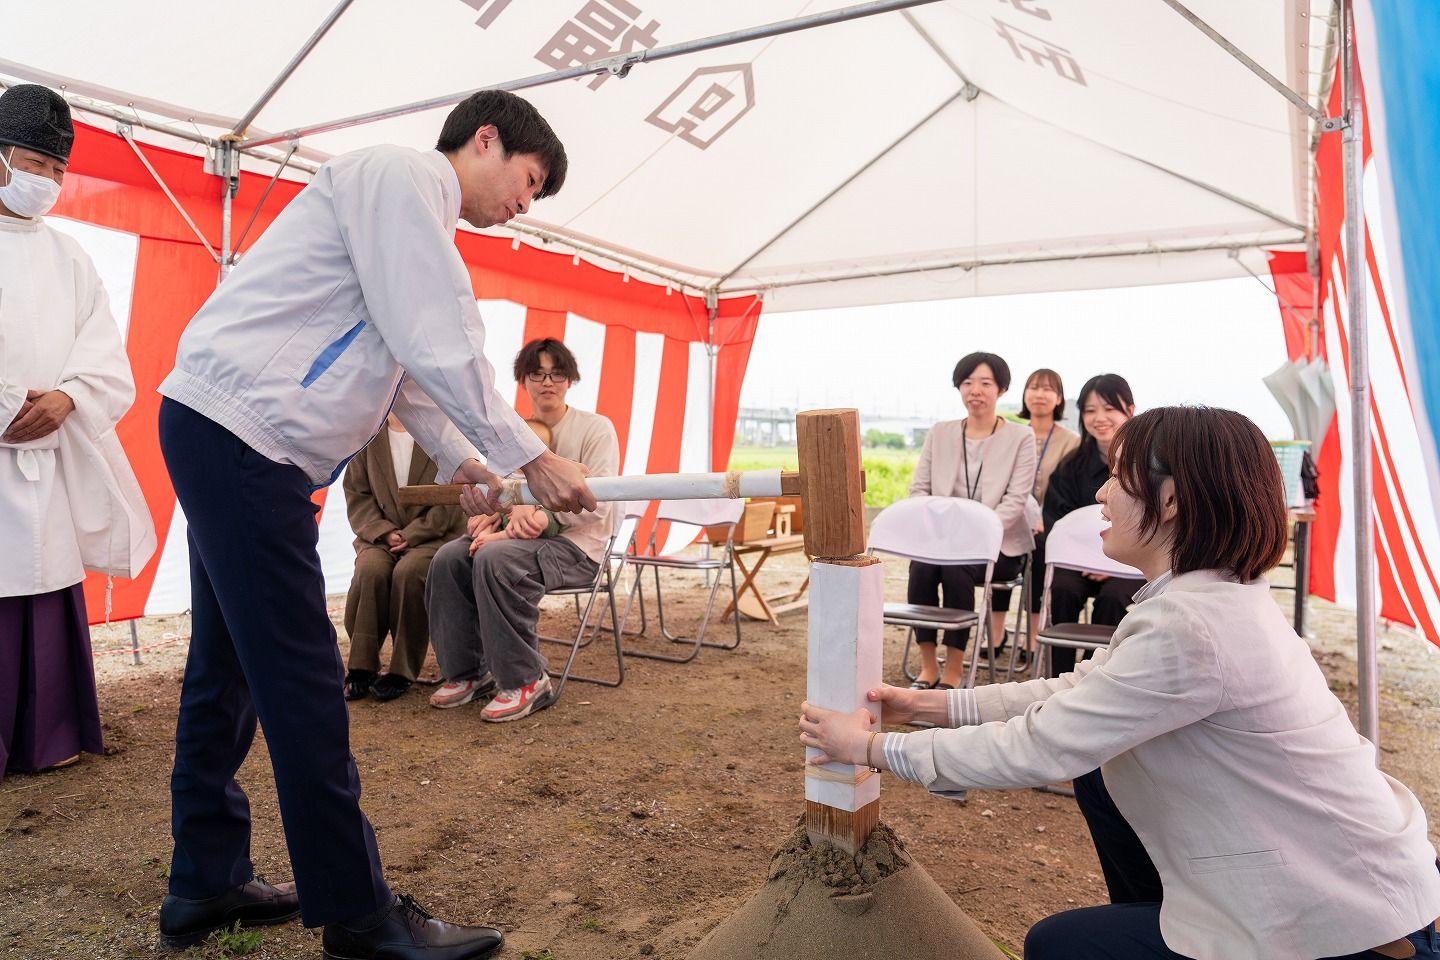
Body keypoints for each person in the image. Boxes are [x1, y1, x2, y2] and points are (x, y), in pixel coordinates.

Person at [154, 91, 595, 957]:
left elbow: (407, 373)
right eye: (531, 179)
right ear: (486, 138)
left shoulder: (410, 216)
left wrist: (468, 461)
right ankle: (358, 915)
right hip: (245, 437)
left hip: (230, 432)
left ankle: (205, 878)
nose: (526, 203)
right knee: (301, 677)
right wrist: (530, 457)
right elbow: (435, 340)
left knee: (226, 667)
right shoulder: (401, 179)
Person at [800, 406, 1440, 960]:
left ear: (1172, 501)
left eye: (1118, 478)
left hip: (1350, 920)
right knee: (1100, 774)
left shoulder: (1193, 626)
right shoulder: (1203, 598)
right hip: (1338, 879)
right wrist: (928, 705)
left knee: (1059, 947)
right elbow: (1076, 694)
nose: (1101, 495)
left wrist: (871, 749)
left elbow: (1041, 745)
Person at [0, 84, 155, 782]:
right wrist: (9, 403)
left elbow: (105, 356)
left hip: (52, 453)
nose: (48, 180)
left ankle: (48, 736)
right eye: (36, 164)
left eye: (58, 170)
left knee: (46, 579)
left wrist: (69, 397)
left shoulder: (71, 258)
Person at [426, 338, 619, 721]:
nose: (547, 382)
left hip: (578, 547)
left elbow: (603, 502)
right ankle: (469, 672)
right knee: (449, 558)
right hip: (514, 535)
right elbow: (505, 492)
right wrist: (490, 514)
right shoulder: (512, 433)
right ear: (523, 379)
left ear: (570, 380)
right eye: (537, 373)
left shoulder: (596, 429)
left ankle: (527, 680)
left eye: (557, 374)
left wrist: (545, 516)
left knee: (497, 559)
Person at [906, 352, 1035, 689]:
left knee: (955, 567)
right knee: (921, 567)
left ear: (1001, 389)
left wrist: (975, 533)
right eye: (967, 383)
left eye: (985, 383)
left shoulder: (1021, 437)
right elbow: (919, 489)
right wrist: (939, 529)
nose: (975, 390)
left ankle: (954, 668)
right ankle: (928, 666)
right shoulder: (940, 432)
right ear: (959, 388)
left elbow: (1015, 500)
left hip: (998, 545)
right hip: (941, 539)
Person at [341, 415, 466, 703]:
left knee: (409, 572)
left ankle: (402, 670)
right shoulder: (366, 434)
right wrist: (384, 532)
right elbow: (357, 493)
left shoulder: (444, 433)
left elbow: (453, 495)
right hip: (381, 535)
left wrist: (413, 533)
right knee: (370, 570)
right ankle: (361, 667)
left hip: (435, 535)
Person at [1040, 374, 1146, 677]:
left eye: (1109, 408)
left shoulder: (1147, 464)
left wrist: (1111, 561)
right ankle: (1057, 674)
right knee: (1061, 589)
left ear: (1130, 410)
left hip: (1129, 562)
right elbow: (1057, 520)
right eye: (1089, 410)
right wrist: (1086, 557)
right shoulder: (1070, 466)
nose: (1099, 418)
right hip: (1078, 562)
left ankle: (1094, 674)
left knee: (1113, 598)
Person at [1018, 368, 1080, 664]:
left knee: (1039, 548)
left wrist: (1043, 518)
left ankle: (1033, 636)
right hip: (1015, 516)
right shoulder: (1012, 434)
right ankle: (996, 632)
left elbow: (1065, 491)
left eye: (1047, 389)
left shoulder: (1072, 441)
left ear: (1059, 398)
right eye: (1033, 387)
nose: (1039, 394)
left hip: (1049, 522)